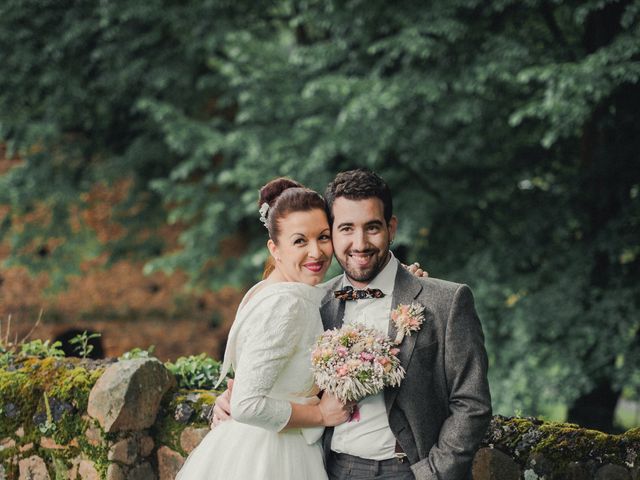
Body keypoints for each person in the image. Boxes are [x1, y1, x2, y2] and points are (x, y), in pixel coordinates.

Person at [214, 168, 492, 480]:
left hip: (410, 470)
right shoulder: (315, 301)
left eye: (372, 228)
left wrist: (432, 473)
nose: (359, 244)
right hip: (330, 470)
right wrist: (229, 403)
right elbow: (274, 379)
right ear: (332, 232)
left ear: (391, 228)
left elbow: (471, 404)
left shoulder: (445, 301)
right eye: (345, 229)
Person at [176, 178, 353, 480]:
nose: (317, 252)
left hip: (250, 444)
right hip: (273, 455)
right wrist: (320, 414)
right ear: (275, 248)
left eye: (323, 237)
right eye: (300, 241)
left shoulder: (269, 291)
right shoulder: (286, 304)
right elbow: (246, 404)